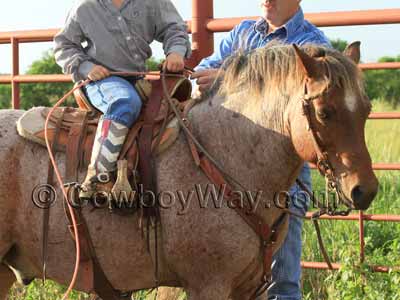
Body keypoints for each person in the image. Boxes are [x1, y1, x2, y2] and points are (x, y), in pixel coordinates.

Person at [191, 1, 330, 299]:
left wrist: (226, 79)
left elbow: (286, 97)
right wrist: (207, 79)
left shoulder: (312, 45)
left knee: (281, 282)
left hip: (283, 176)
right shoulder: (244, 31)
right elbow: (203, 69)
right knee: (219, 272)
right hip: (228, 171)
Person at [54, 0, 191, 195]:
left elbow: (174, 28)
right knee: (124, 101)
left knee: (183, 105)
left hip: (137, 79)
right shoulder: (84, 7)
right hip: (100, 81)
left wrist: (175, 52)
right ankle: (97, 179)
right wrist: (87, 68)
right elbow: (64, 45)